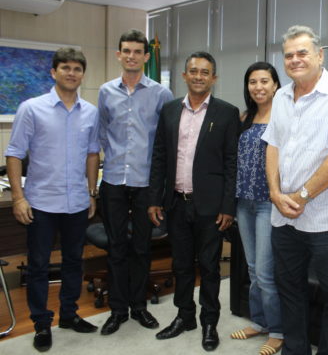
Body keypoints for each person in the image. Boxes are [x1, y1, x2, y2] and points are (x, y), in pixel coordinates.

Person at [262, 25, 328, 355]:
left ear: (320, 55)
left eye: (302, 53)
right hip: (284, 219)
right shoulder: (280, 96)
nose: (295, 60)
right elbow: (273, 146)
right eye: (289, 55)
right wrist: (276, 193)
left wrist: (302, 196)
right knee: (290, 291)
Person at [6, 48, 100, 352]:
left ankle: (70, 315)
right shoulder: (31, 108)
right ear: (53, 72)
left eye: (77, 68)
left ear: (82, 74)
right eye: (65, 68)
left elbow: (92, 154)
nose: (71, 73)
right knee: (38, 266)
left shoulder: (90, 111)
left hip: (76, 203)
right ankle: (42, 323)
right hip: (42, 203)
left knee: (74, 261)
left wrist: (91, 193)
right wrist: (19, 198)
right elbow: (15, 153)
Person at [148, 51, 240, 351]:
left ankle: (209, 321)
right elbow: (160, 157)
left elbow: (231, 163)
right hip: (176, 204)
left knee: (210, 267)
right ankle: (184, 315)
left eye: (205, 72)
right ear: (184, 75)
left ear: (213, 78)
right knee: (182, 265)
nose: (198, 76)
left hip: (211, 208)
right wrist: (154, 199)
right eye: (193, 71)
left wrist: (228, 207)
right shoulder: (170, 110)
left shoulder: (227, 113)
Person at [98, 29, 173, 335]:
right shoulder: (105, 92)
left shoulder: (160, 93)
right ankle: (117, 310)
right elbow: (102, 133)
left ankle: (139, 307)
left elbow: (164, 142)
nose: (131, 56)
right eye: (125, 51)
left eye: (137, 51)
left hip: (145, 184)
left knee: (141, 247)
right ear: (119, 55)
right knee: (116, 247)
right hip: (114, 180)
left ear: (145, 57)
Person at [229, 62, 284, 355]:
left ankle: (277, 331)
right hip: (243, 202)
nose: (258, 87)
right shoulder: (245, 117)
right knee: (251, 269)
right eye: (253, 82)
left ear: (275, 84)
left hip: (267, 203)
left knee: (265, 272)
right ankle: (259, 322)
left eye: (264, 81)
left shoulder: (284, 116)